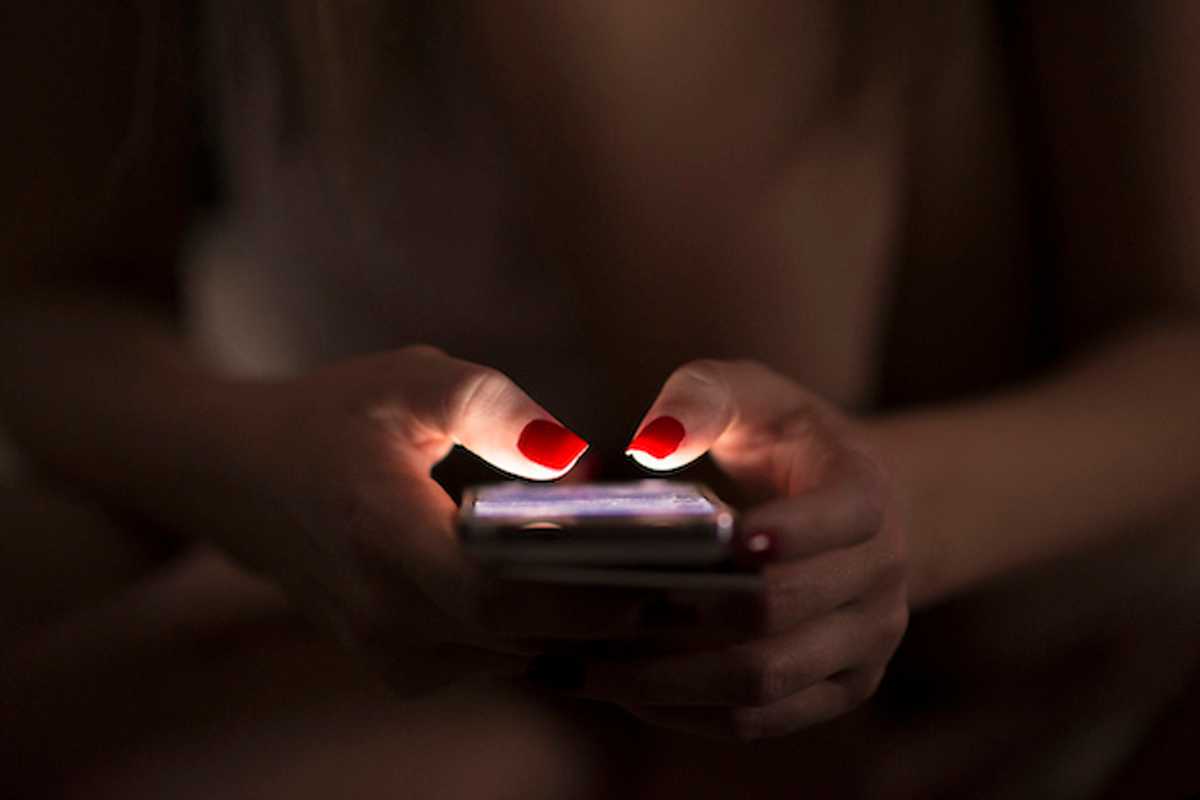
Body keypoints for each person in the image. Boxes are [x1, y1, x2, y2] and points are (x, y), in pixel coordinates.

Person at [3, 2, 1199, 796]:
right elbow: (55, 301)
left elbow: (1176, 355)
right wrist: (253, 455)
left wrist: (877, 527)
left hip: (983, 634)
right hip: (429, 623)